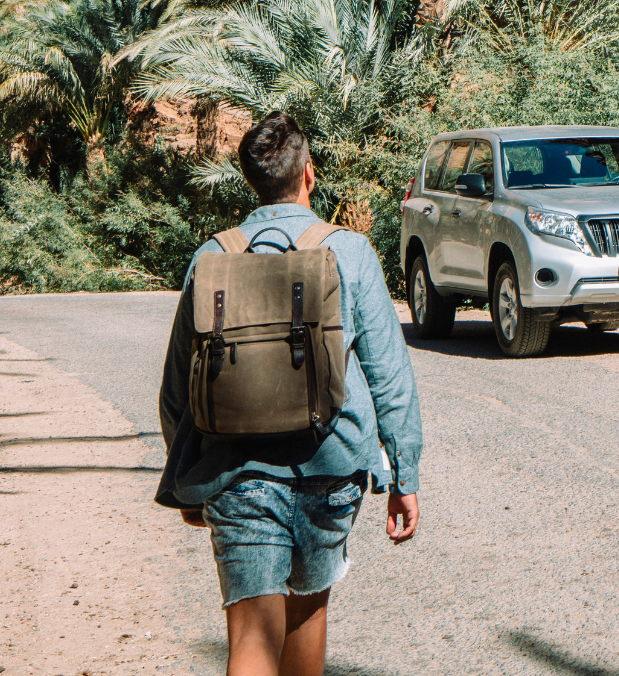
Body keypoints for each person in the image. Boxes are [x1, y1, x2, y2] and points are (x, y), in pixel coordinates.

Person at [157, 111, 424, 676]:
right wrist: (404, 478)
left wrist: (187, 481)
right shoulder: (348, 252)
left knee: (252, 637)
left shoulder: (212, 257)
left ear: (251, 180)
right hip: (329, 469)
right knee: (307, 615)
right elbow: (389, 375)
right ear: (308, 174)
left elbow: (178, 386)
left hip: (235, 472)